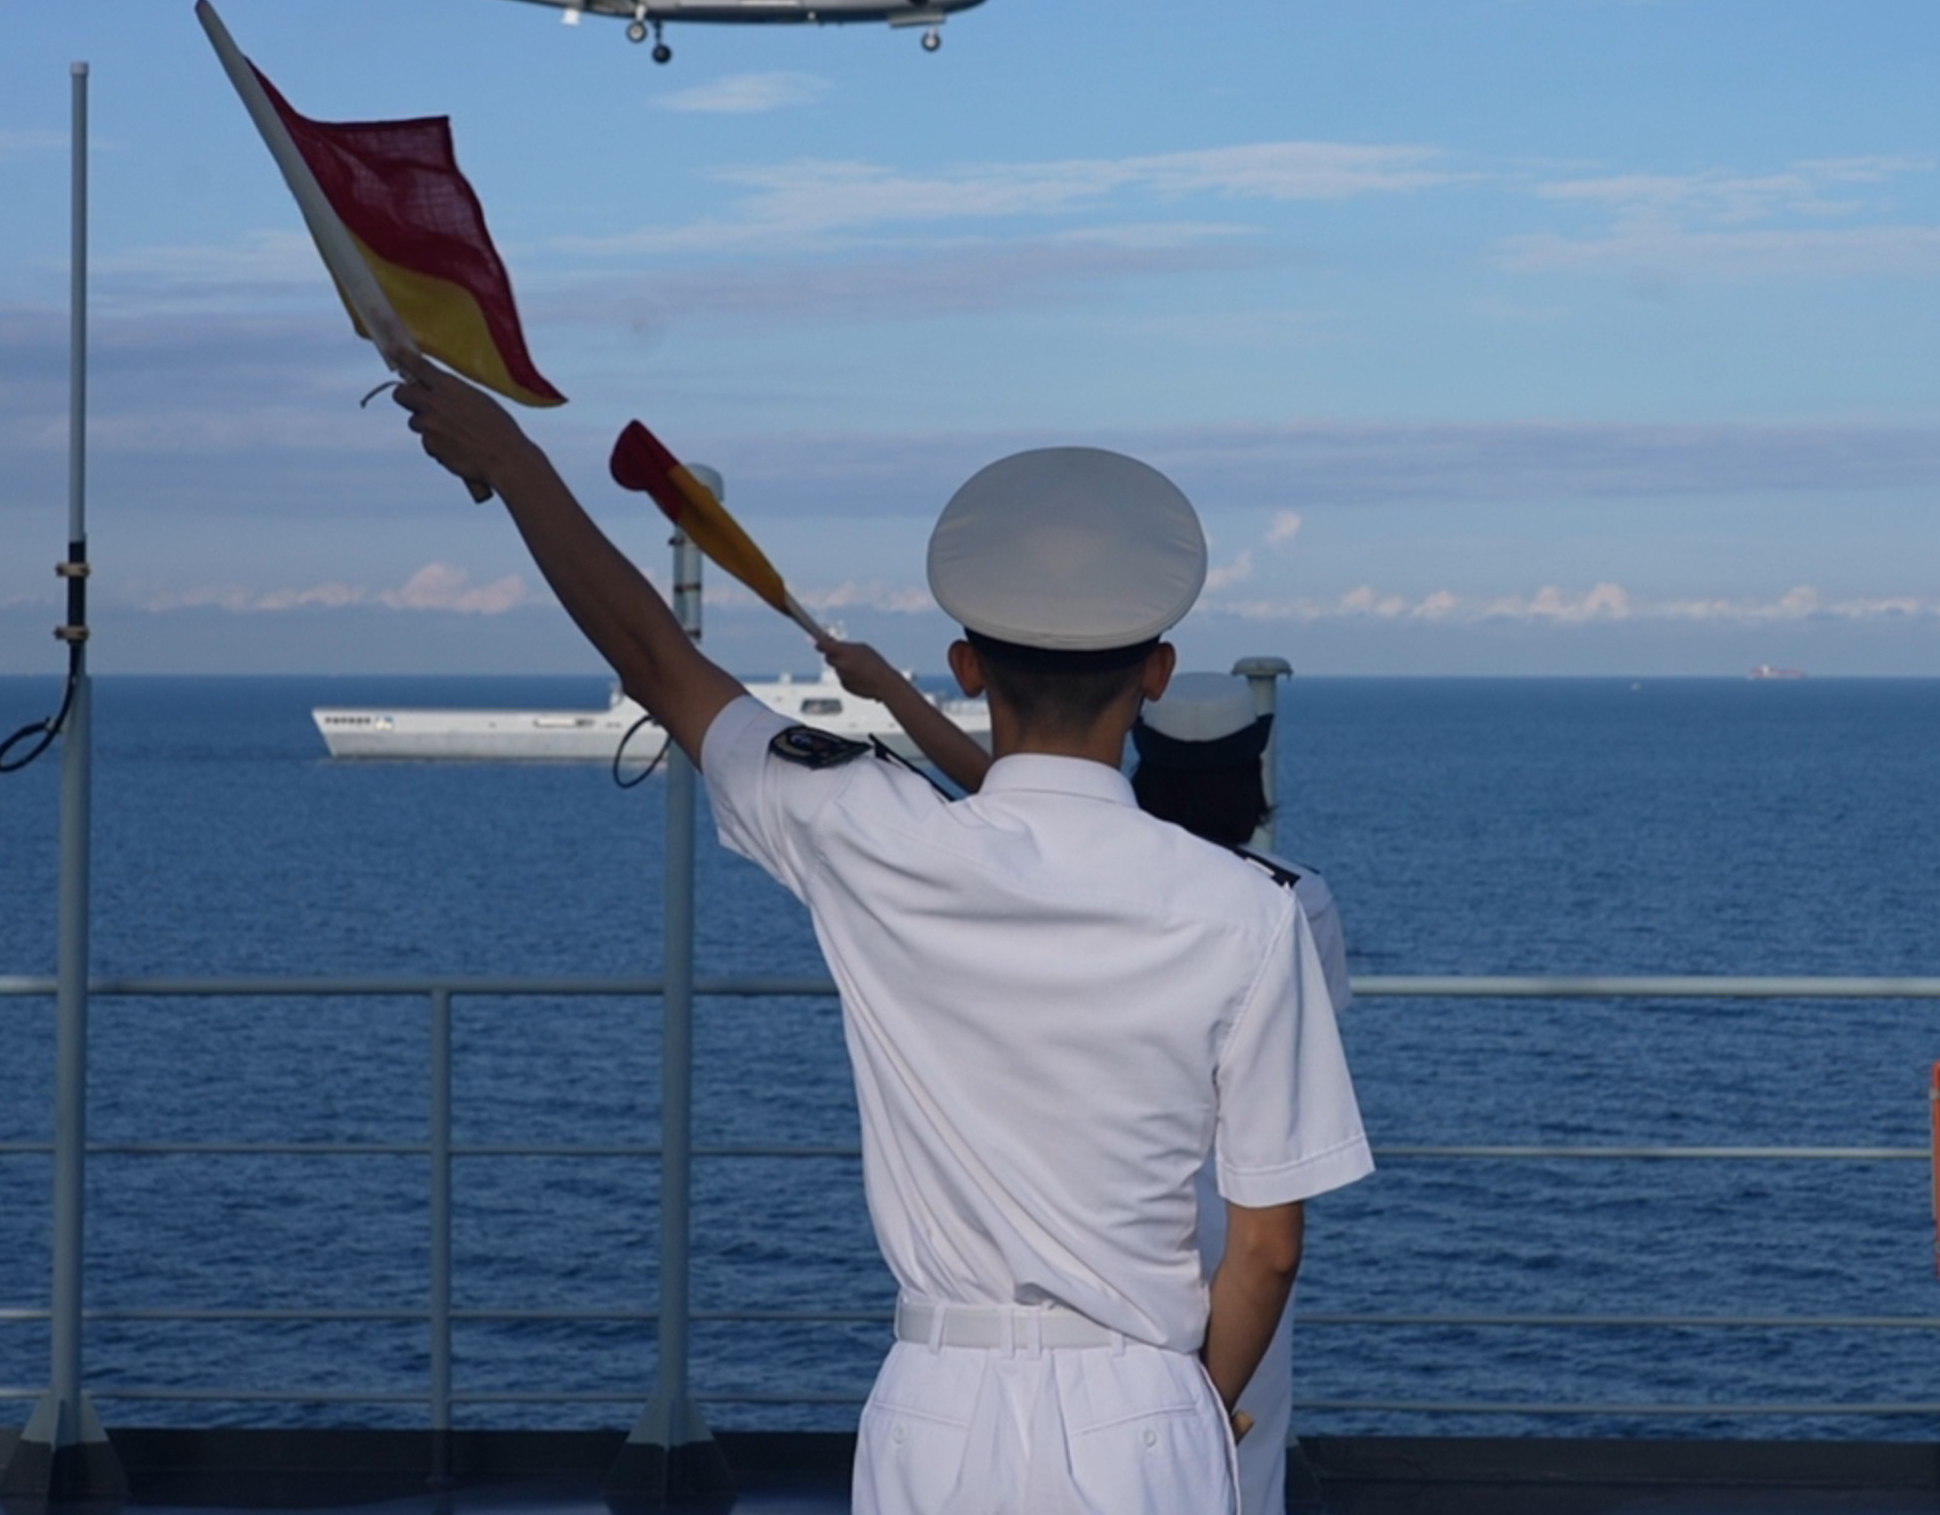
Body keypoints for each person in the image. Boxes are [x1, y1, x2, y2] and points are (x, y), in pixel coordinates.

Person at [393, 371, 1370, 1514]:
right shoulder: (1251, 912)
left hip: (936, 1398)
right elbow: (1268, 1249)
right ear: (1154, 675)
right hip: (1142, 1399)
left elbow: (657, 663)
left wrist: (513, 462)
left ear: (966, 665)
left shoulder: (870, 834)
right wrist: (1194, 1408)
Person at [830, 642, 1351, 1515]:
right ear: (1251, 768)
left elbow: (1006, 793)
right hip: (1242, 1234)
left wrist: (890, 692)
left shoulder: (1097, 877)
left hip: (1114, 1233)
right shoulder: (1289, 903)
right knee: (1237, 1467)